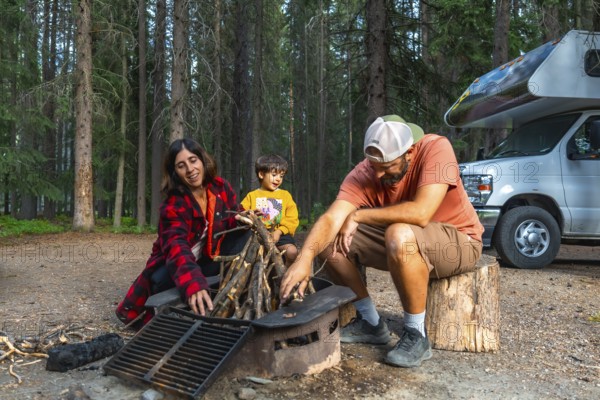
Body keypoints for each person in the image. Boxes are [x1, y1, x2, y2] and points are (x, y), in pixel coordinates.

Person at [280, 115, 484, 368]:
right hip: (402, 242)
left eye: (386, 166)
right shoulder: (365, 172)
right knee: (329, 243)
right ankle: (371, 322)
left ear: (409, 152)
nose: (377, 174)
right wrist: (304, 258)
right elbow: (332, 218)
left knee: (398, 233)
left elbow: (421, 213)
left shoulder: (436, 148)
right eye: (373, 164)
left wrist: (359, 215)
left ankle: (415, 334)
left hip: (458, 241)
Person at [116, 138, 250, 327]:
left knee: (245, 235)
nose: (190, 169)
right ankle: (177, 308)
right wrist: (193, 283)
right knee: (159, 282)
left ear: (203, 160)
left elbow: (230, 217)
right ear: (175, 173)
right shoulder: (174, 205)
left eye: (193, 160)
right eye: (181, 165)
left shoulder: (220, 187)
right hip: (176, 265)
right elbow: (176, 247)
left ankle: (234, 295)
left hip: (207, 258)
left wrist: (244, 217)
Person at [241, 154, 299, 266]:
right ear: (261, 174)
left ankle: (286, 275)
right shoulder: (252, 196)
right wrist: (248, 214)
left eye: (281, 176)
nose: (278, 179)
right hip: (257, 236)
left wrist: (278, 232)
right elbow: (240, 213)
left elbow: (292, 218)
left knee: (292, 252)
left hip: (281, 234)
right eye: (274, 175)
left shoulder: (285, 195)